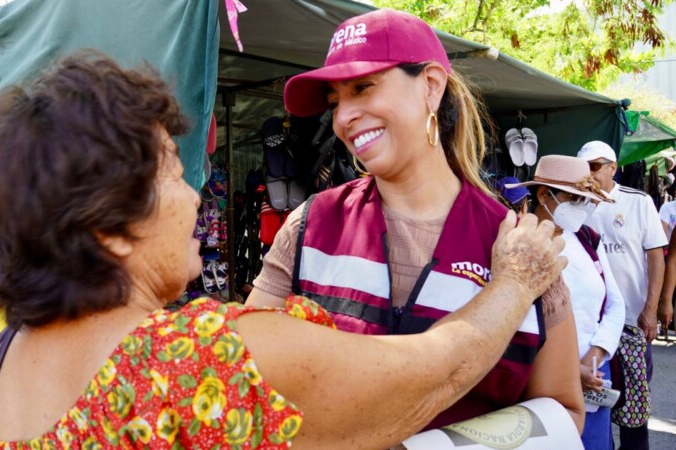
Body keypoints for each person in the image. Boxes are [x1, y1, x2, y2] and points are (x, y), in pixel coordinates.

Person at [0, 52, 568, 449]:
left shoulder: (4, 360)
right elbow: (437, 371)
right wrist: (515, 283)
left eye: (364, 88)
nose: (194, 197)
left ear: (432, 88)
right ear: (107, 227)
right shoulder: (198, 359)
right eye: (173, 175)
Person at [246, 8, 584, 432]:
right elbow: (246, 378)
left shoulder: (524, 252)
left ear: (431, 86)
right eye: (335, 102)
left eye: (363, 87)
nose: (343, 117)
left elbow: (563, 412)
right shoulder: (309, 226)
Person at [508, 155, 624, 450]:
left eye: (585, 200)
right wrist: (570, 370)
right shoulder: (515, 242)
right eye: (573, 199)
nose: (581, 207)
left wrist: (596, 352)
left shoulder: (587, 239)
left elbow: (615, 304)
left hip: (594, 381)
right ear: (543, 195)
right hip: (537, 388)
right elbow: (513, 321)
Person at [577, 140, 668, 450]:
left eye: (594, 166)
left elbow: (656, 257)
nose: (589, 174)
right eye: (584, 167)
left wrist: (651, 309)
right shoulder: (575, 202)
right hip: (591, 328)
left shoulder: (638, 202)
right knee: (594, 401)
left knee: (634, 407)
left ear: (613, 168)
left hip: (631, 324)